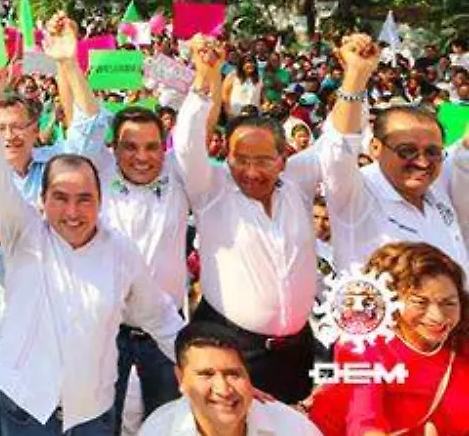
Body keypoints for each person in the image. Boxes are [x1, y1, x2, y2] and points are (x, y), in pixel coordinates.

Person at [0, 56, 184, 436]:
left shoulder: (120, 251)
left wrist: (210, 364)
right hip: (25, 404)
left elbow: (162, 318)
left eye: (84, 198)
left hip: (92, 413)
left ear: (100, 201)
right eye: (60, 197)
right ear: (41, 200)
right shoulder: (23, 233)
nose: (72, 211)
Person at [53, 12, 216, 431]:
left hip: (164, 334)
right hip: (105, 331)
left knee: (170, 422)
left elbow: (196, 133)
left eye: (150, 147)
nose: (141, 157)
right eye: (130, 147)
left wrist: (206, 77)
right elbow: (86, 120)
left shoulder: (179, 175)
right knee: (99, 422)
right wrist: (68, 63)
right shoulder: (100, 171)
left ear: (164, 146)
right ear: (114, 148)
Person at [173, 34, 327, 404]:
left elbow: (338, 143)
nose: (250, 171)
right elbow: (187, 144)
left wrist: (356, 75)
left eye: (262, 161)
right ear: (226, 156)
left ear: (284, 159)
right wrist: (205, 76)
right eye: (240, 159)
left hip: (295, 352)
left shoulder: (298, 184)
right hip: (229, 347)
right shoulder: (211, 188)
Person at [0, 15, 80, 436]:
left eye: (18, 128)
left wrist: (67, 64)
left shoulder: (57, 171)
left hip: (51, 326)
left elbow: (87, 133)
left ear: (36, 131)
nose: (9, 136)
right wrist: (11, 228)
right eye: (1, 128)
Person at [321, 33, 469, 272]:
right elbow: (340, 144)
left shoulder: (440, 186)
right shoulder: (355, 195)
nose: (422, 162)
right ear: (375, 148)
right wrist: (356, 75)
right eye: (406, 151)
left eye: (432, 152)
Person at [309, 242, 469, 436]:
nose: (438, 316)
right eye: (420, 302)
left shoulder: (461, 343)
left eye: (449, 303)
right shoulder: (362, 345)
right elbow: (364, 424)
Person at [137, 321, 322, 436]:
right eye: (206, 375)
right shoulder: (159, 430)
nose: (223, 389)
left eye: (233, 374)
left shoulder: (292, 428)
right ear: (181, 379)